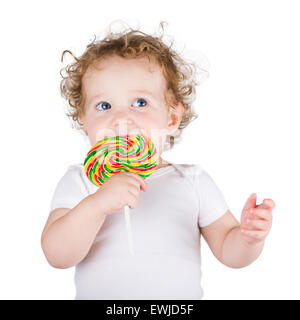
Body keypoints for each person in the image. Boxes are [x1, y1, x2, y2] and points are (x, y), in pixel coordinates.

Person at [41, 21, 275, 300]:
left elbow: (229, 251)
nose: (121, 118)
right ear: (84, 120)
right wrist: (98, 202)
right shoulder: (81, 180)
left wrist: (249, 238)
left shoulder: (193, 181)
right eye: (104, 106)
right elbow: (57, 255)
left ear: (172, 118)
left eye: (140, 102)